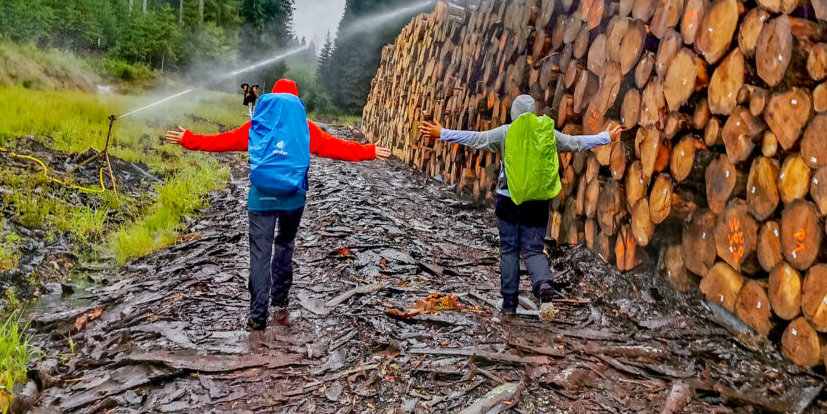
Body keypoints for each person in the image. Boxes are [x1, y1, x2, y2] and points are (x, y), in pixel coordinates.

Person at [166, 78, 391, 331]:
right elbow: (337, 147)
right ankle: (280, 297)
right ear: (296, 101)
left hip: (260, 198)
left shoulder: (257, 125)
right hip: (293, 199)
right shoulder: (306, 128)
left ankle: (257, 316)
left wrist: (189, 139)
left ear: (272, 98)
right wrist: (369, 151)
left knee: (259, 254)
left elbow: (221, 142)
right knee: (284, 243)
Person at [420, 94, 621, 321]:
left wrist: (443, 133)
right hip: (536, 203)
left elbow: (475, 138)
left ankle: (509, 305)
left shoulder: (506, 132)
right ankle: (543, 288)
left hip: (507, 201)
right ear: (533, 112)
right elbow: (576, 143)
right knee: (534, 250)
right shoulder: (547, 132)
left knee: (509, 251)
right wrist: (606, 137)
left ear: (514, 113)